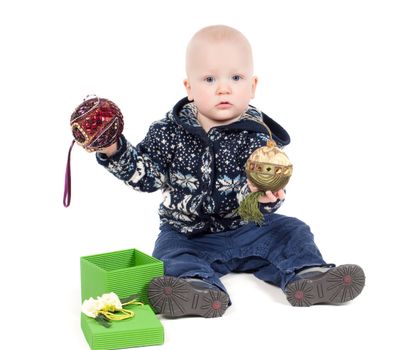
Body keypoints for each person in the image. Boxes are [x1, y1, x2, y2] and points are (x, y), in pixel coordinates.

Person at [96, 25, 365, 318]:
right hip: (189, 233)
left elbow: (267, 185)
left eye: (236, 78)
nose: (223, 88)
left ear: (253, 85)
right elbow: (147, 177)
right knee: (169, 253)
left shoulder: (258, 136)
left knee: (292, 230)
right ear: (189, 88)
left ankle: (308, 275)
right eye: (209, 79)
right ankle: (195, 288)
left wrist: (265, 197)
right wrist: (113, 149)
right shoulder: (167, 132)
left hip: (249, 228)